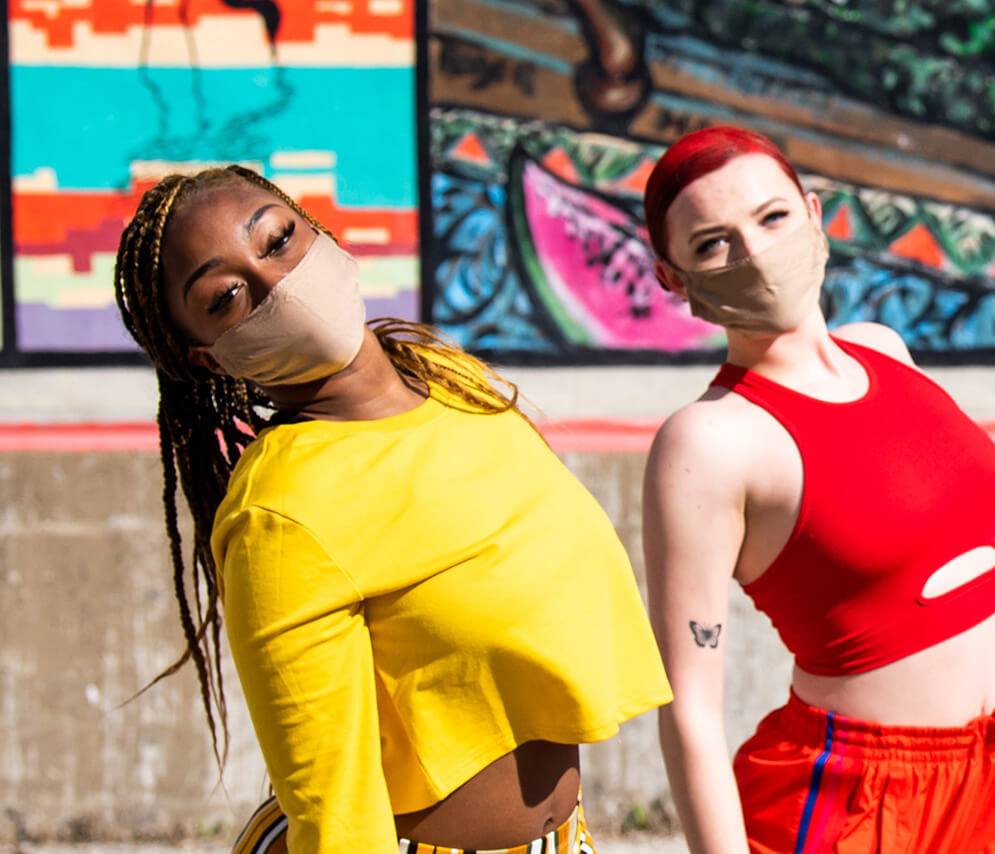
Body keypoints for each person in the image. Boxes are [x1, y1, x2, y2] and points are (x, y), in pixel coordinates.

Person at [109, 164, 672, 854]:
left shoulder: (449, 380)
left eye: (279, 239)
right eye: (228, 297)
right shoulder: (282, 515)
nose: (277, 283)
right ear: (207, 361)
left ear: (320, 232)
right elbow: (334, 808)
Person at [638, 126, 995, 854]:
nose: (755, 255)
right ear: (672, 278)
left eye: (772, 218)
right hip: (861, 802)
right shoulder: (708, 441)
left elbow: (978, 586)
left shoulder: (886, 350)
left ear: (814, 214)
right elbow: (690, 708)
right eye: (714, 244)